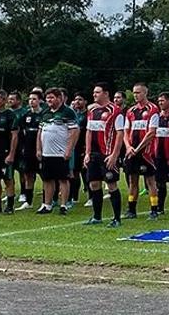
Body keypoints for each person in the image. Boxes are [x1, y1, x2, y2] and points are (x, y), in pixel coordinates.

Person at [84, 83, 126, 227]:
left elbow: (120, 133)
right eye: (94, 92)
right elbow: (89, 132)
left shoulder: (115, 111)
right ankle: (97, 216)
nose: (94, 94)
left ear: (106, 93)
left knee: (111, 184)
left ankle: (116, 219)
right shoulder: (92, 110)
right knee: (94, 183)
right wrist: (87, 153)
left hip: (107, 154)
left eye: (97, 92)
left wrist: (115, 155)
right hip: (94, 154)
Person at [34, 88, 80, 215]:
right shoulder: (45, 113)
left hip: (60, 152)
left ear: (59, 98)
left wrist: (69, 150)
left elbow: (74, 132)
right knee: (47, 179)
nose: (49, 100)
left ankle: (63, 205)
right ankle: (47, 204)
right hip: (46, 152)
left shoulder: (68, 112)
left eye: (52, 97)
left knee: (63, 179)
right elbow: (40, 132)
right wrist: (38, 149)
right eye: (47, 98)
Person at [122, 83, 160, 220]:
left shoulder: (153, 109)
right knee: (132, 181)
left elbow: (151, 132)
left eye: (138, 92)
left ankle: (154, 210)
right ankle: (131, 210)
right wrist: (128, 147)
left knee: (150, 181)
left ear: (145, 93)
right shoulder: (130, 111)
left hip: (146, 153)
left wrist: (138, 149)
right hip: (132, 152)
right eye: (134, 92)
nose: (136, 95)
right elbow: (126, 131)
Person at [14, 90, 43, 210]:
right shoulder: (26, 115)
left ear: (40, 100)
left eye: (34, 99)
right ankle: (28, 201)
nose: (31, 101)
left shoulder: (44, 114)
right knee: (28, 175)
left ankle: (49, 201)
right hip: (28, 150)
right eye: (30, 99)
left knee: (45, 176)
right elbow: (19, 131)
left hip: (41, 150)